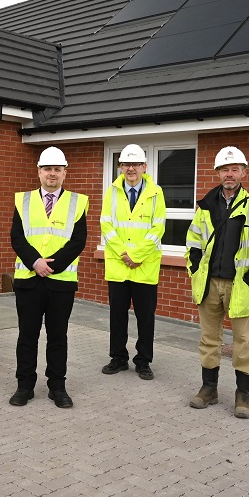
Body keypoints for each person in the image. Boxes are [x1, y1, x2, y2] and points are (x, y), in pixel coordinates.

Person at [186, 146, 249, 419]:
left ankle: (243, 396)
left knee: (243, 342)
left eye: (234, 169)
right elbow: (193, 243)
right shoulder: (205, 207)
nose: (229, 174)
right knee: (208, 340)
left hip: (240, 287)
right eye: (224, 169)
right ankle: (209, 390)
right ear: (217, 173)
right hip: (210, 284)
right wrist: (194, 270)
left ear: (243, 173)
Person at [9, 146, 88, 409]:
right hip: (29, 280)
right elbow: (17, 237)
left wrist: (51, 266)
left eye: (57, 169)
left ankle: (57, 387)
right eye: (47, 169)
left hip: (60, 281)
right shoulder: (23, 200)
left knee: (58, 336)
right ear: (39, 171)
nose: (51, 174)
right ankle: (24, 386)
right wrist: (35, 262)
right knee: (27, 336)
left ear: (65, 172)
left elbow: (78, 241)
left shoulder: (78, 202)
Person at [100, 144, 166, 380]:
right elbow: (106, 226)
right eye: (126, 164)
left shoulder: (156, 193)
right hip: (119, 266)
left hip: (144, 266)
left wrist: (136, 256)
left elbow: (158, 228)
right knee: (117, 315)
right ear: (120, 167)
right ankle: (118, 358)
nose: (131, 169)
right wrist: (123, 254)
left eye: (136, 164)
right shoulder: (111, 192)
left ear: (144, 167)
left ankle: (143, 360)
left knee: (145, 317)